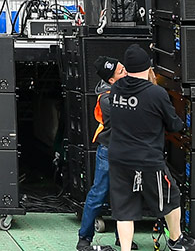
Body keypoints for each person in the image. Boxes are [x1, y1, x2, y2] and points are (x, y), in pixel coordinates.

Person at [102, 44, 195, 251]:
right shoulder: (156, 93)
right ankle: (176, 240)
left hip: (119, 158)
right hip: (147, 159)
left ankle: (125, 249)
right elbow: (175, 125)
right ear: (148, 67)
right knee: (171, 196)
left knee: (124, 209)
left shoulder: (115, 90)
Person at [77, 56, 124, 251]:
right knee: (99, 193)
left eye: (124, 67)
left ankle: (123, 238)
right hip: (109, 150)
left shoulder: (123, 90)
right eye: (121, 71)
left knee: (124, 195)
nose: (127, 72)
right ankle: (84, 238)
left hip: (125, 150)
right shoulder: (106, 98)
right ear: (111, 80)